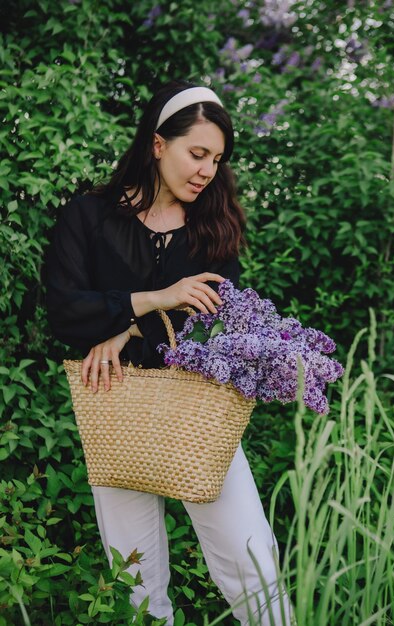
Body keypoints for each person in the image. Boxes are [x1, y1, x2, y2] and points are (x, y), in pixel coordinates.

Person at [46, 80, 293, 625]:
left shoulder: (214, 229)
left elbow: (212, 322)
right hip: (114, 405)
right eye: (196, 153)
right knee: (135, 578)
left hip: (198, 411)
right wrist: (155, 299)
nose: (207, 169)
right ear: (159, 144)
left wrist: (124, 331)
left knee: (251, 561)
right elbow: (63, 312)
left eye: (217, 158)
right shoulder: (87, 217)